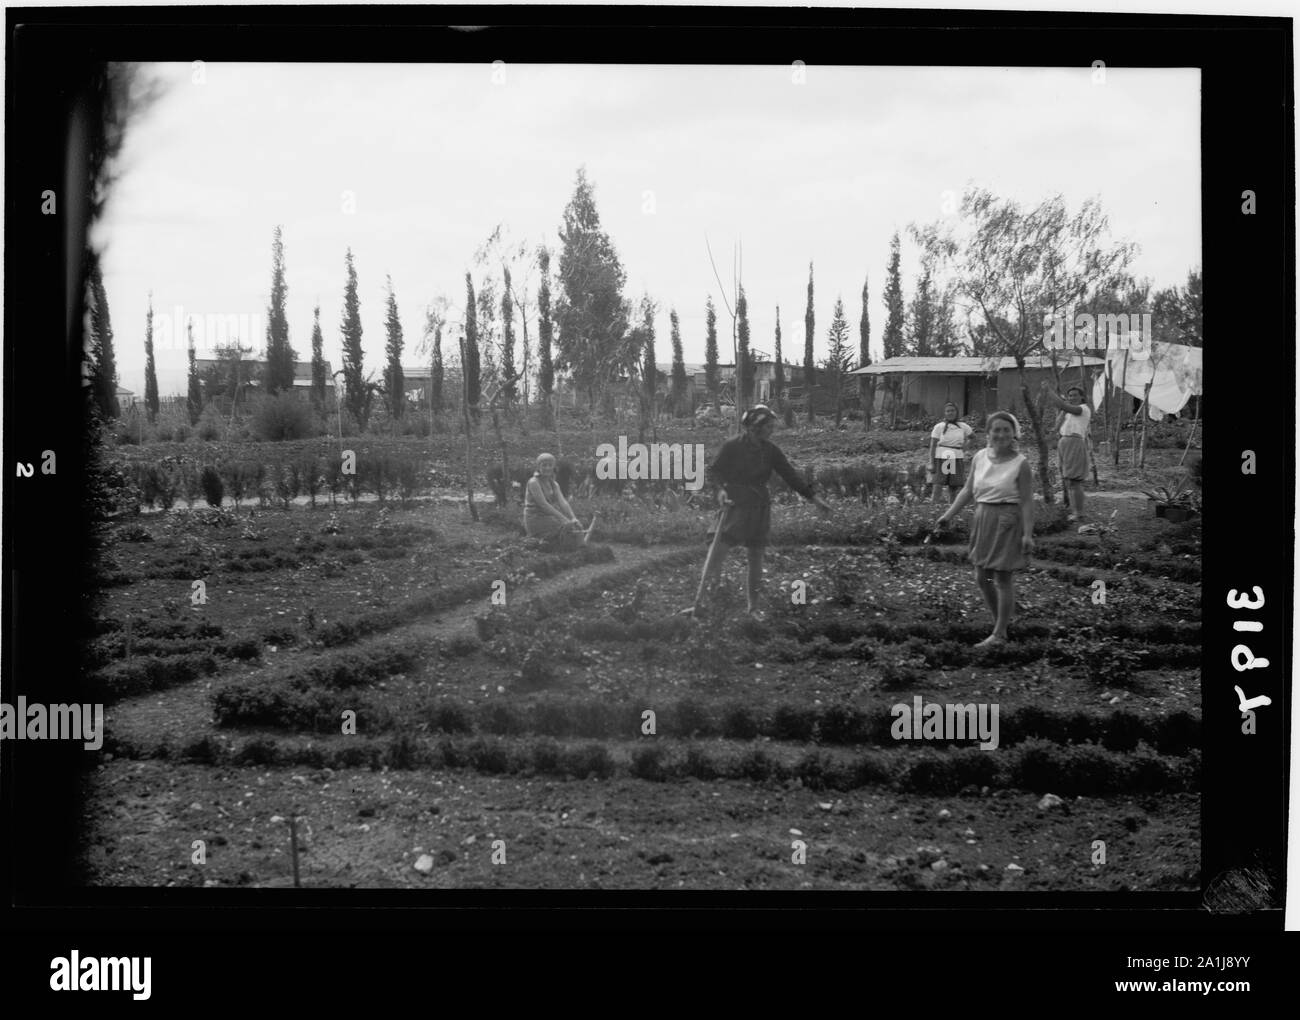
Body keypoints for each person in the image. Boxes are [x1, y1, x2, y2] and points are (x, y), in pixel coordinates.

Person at [687, 404, 832, 619]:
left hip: (758, 507)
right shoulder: (732, 446)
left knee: (756, 556)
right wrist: (720, 492)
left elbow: (790, 475)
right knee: (716, 552)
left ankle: (753, 608)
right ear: (754, 427)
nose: (771, 430)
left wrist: (814, 499)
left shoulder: (770, 450)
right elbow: (714, 472)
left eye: (772, 426)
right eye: (767, 426)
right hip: (734, 505)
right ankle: (703, 603)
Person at [934, 410, 1034, 646]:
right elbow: (968, 490)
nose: (1000, 434)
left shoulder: (1021, 464)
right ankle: (1000, 621)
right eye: (996, 430)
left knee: (1001, 577)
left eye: (1006, 430)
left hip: (1007, 520)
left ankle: (999, 633)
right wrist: (947, 515)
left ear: (1014, 435)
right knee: (982, 577)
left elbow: (1028, 501)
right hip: (983, 518)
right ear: (988, 433)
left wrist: (1028, 534)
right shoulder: (980, 457)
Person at [1041, 381, 1092, 522]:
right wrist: (1063, 409)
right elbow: (1057, 426)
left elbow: (1063, 405)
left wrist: (1049, 391)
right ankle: (1074, 510)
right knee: (1069, 480)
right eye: (1070, 396)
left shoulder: (1083, 409)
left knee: (1075, 481)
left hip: (1074, 442)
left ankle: (1079, 513)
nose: (1072, 398)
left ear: (1082, 397)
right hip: (1064, 442)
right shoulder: (1068, 412)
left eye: (1075, 395)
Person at [523, 453, 583, 547]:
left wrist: (573, 518)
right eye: (544, 465)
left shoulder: (554, 484)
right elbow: (543, 505)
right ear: (538, 467)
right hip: (535, 519)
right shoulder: (534, 482)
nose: (547, 468)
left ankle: (560, 545)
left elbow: (563, 502)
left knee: (570, 527)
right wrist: (564, 519)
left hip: (548, 518)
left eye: (550, 465)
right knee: (566, 528)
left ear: (553, 467)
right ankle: (541, 541)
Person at [928, 402, 973, 504]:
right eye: (948, 411)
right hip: (944, 456)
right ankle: (933, 506)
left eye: (952, 410)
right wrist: (931, 462)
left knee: (953, 485)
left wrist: (965, 447)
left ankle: (950, 507)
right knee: (939, 483)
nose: (950, 413)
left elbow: (972, 437)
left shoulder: (963, 426)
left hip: (956, 456)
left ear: (956, 412)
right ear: (944, 413)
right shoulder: (939, 427)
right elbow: (933, 445)